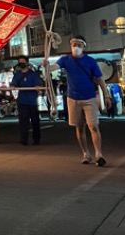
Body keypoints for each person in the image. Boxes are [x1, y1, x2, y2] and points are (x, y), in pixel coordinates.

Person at [48, 36, 111, 166]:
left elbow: (100, 79)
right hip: (73, 98)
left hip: (89, 98)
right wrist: (47, 66)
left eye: (78, 45)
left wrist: (106, 95)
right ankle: (85, 153)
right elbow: (55, 66)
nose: (76, 47)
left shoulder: (90, 61)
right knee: (79, 127)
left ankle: (98, 154)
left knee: (93, 126)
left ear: (83, 47)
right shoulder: (65, 59)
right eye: (73, 44)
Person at [11, 57, 43, 146]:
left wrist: (38, 87)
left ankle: (36, 139)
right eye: (19, 62)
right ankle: (23, 139)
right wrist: (13, 86)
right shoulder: (17, 74)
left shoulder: (33, 74)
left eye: (23, 62)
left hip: (32, 101)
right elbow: (14, 83)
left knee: (35, 121)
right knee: (23, 121)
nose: (21, 64)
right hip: (22, 101)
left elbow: (39, 84)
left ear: (27, 63)